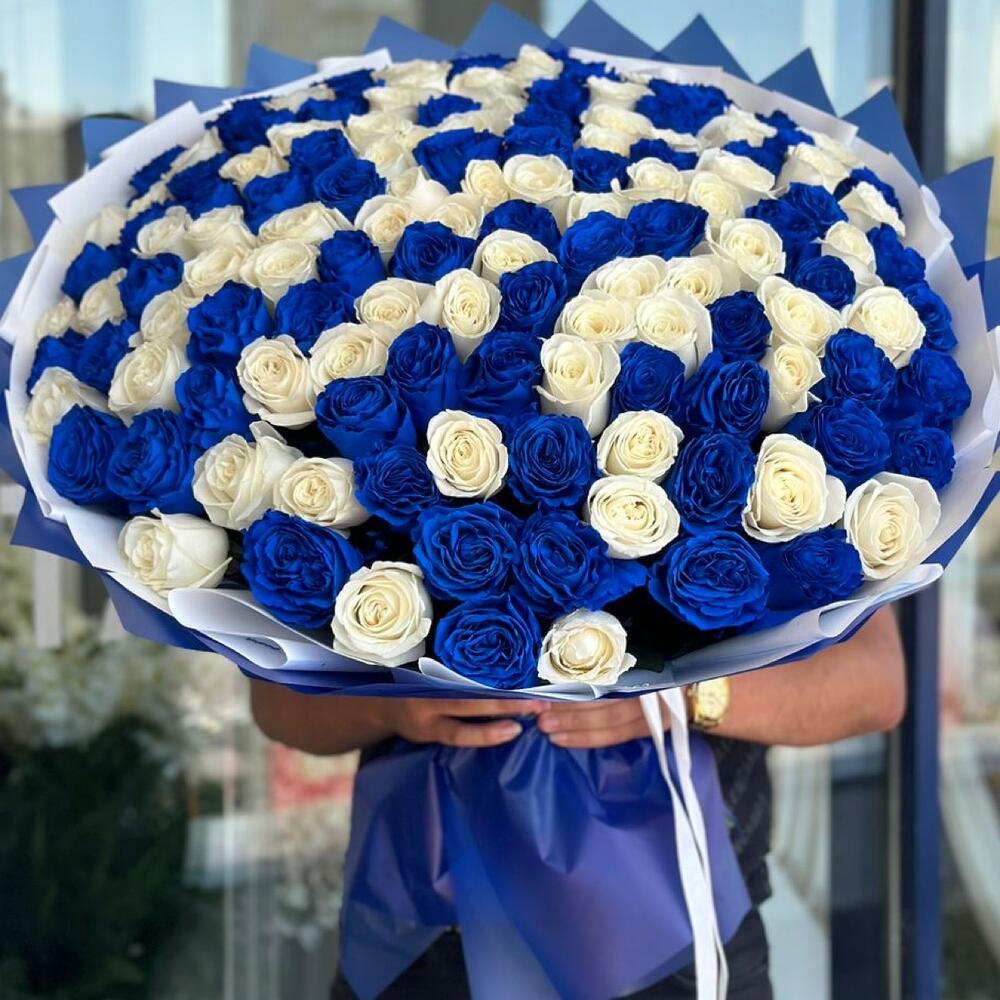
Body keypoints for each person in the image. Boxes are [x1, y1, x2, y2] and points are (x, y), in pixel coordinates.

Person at [250, 606, 905, 1000]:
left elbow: (877, 684)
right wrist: (392, 705)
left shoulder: (762, 433)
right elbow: (276, 704)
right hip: (423, 931)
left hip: (675, 931)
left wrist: (687, 699)